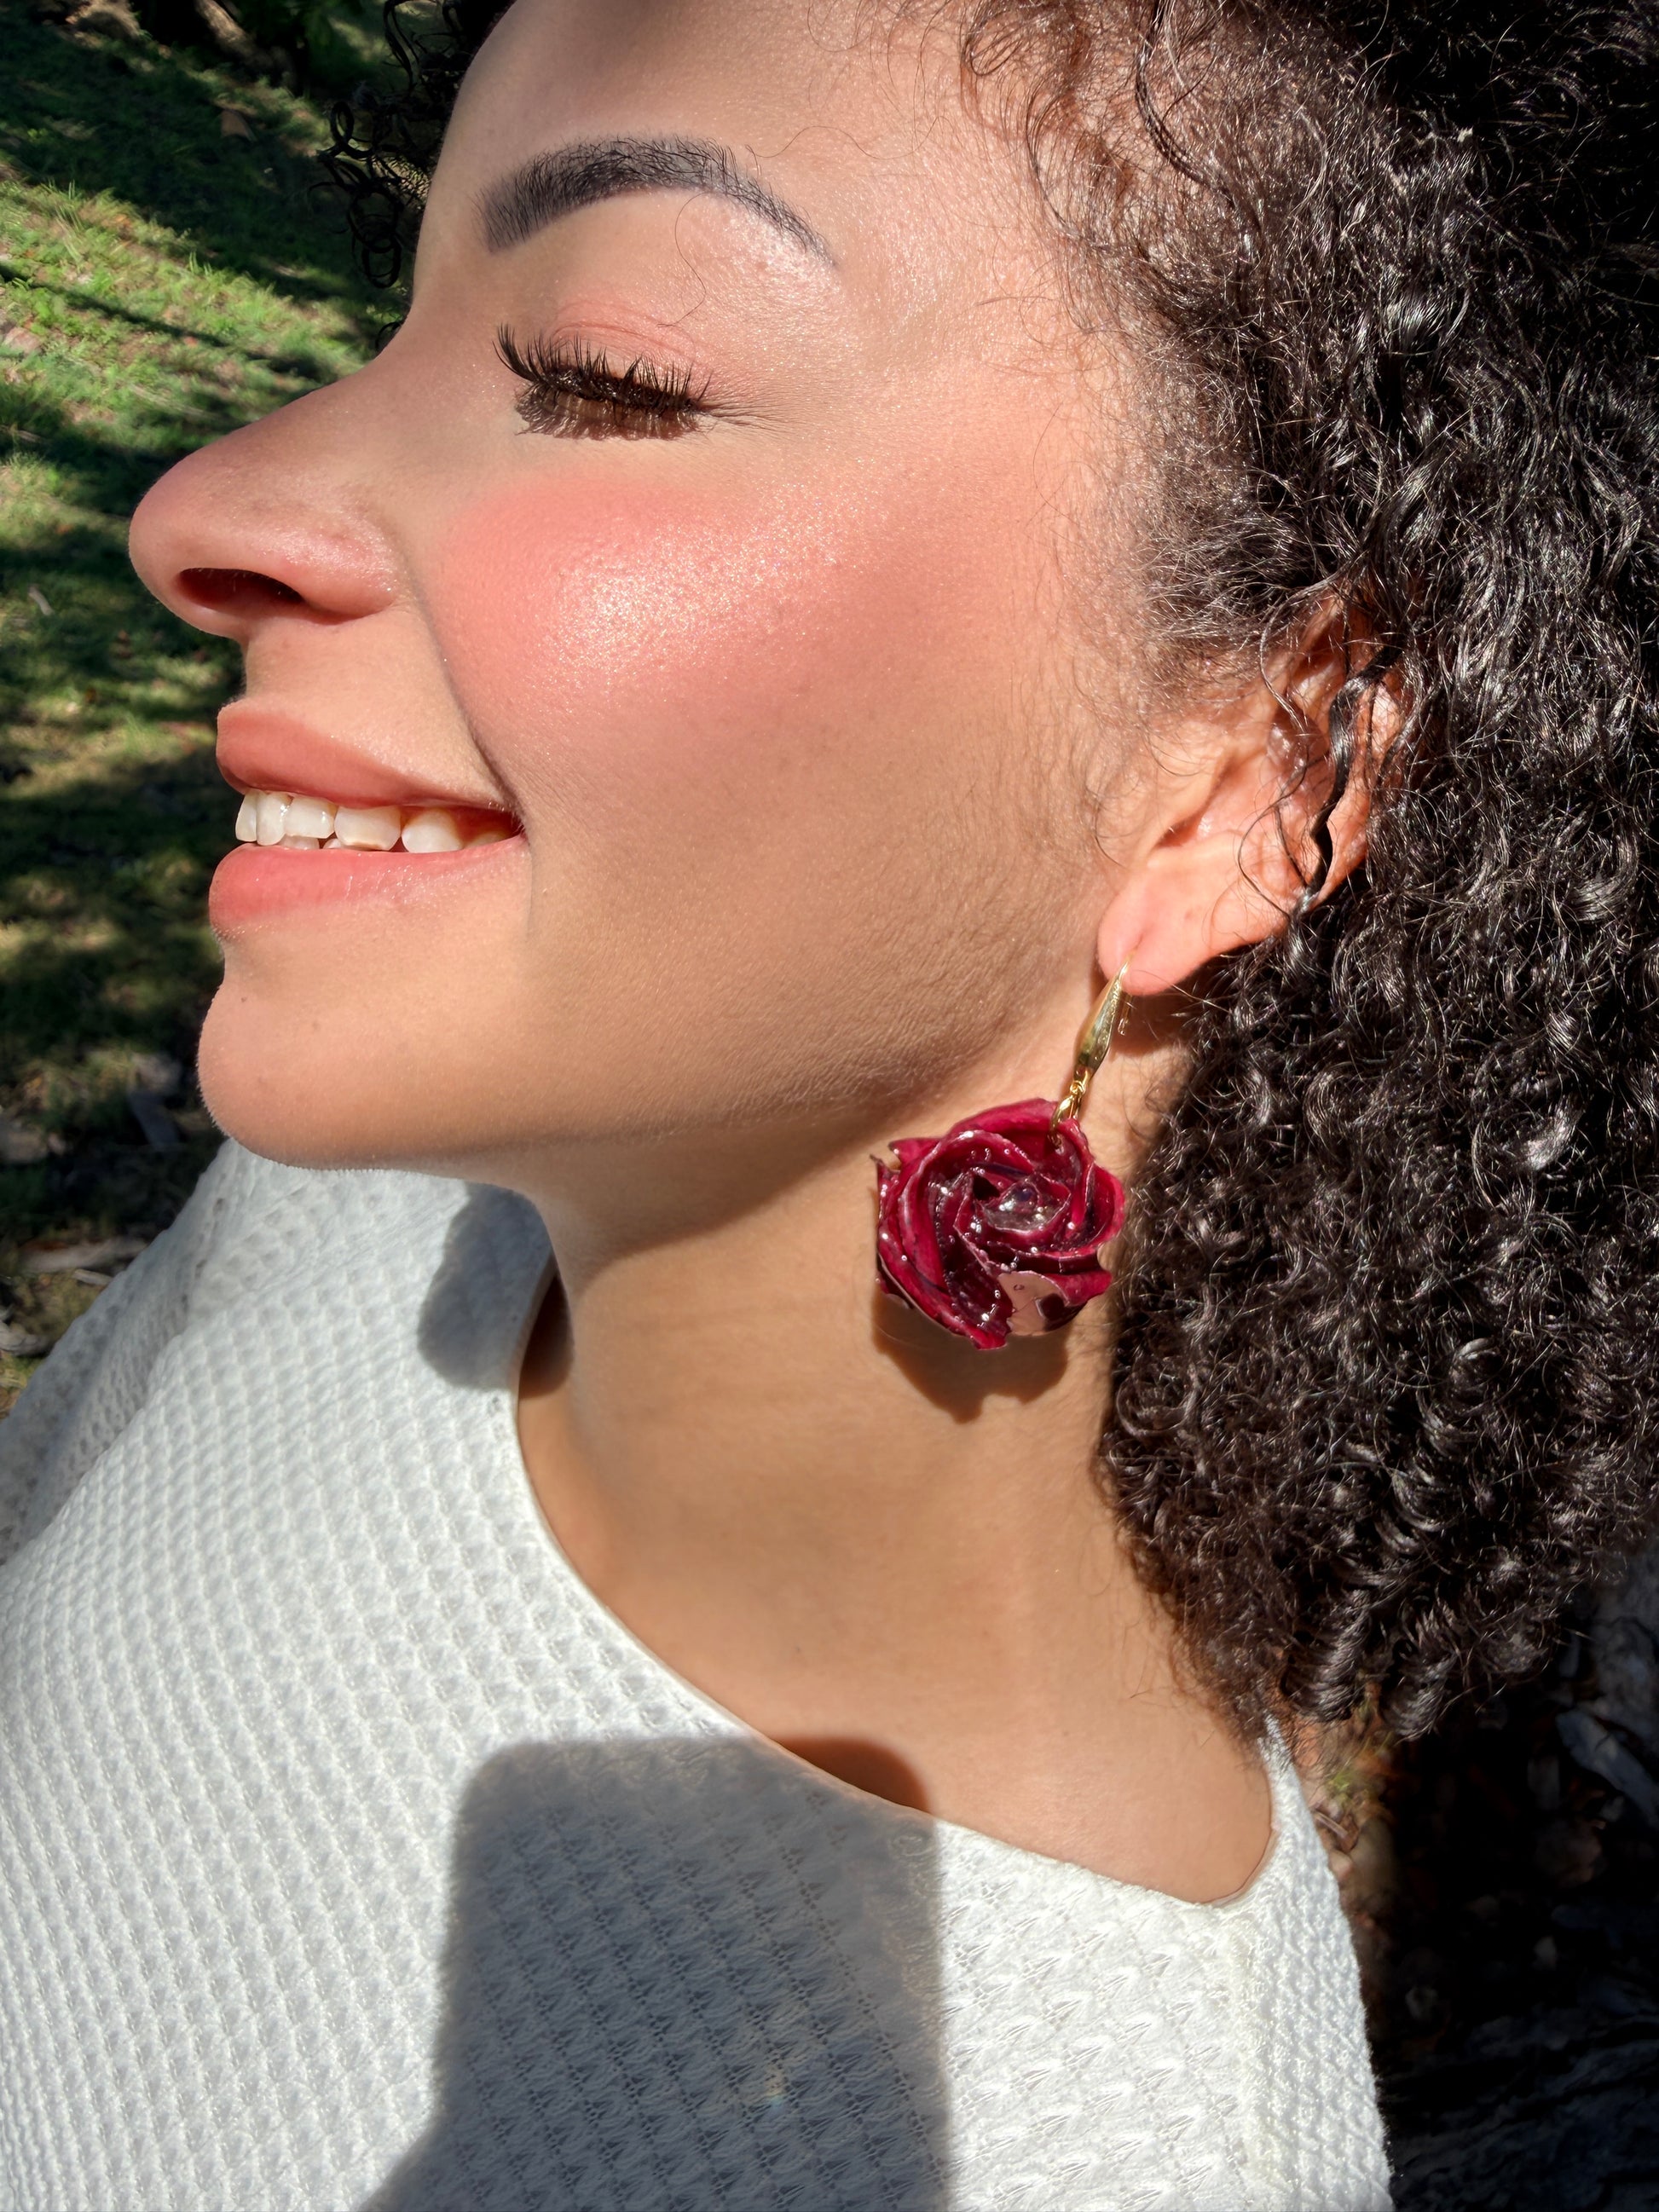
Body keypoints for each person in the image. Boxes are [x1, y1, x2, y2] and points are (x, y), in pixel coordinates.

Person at [0, 0, 1652, 2203]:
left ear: (1255, 776)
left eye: (608, 373)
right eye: (407, 320)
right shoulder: (370, 1203)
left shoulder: (1077, 2151)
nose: (204, 509)